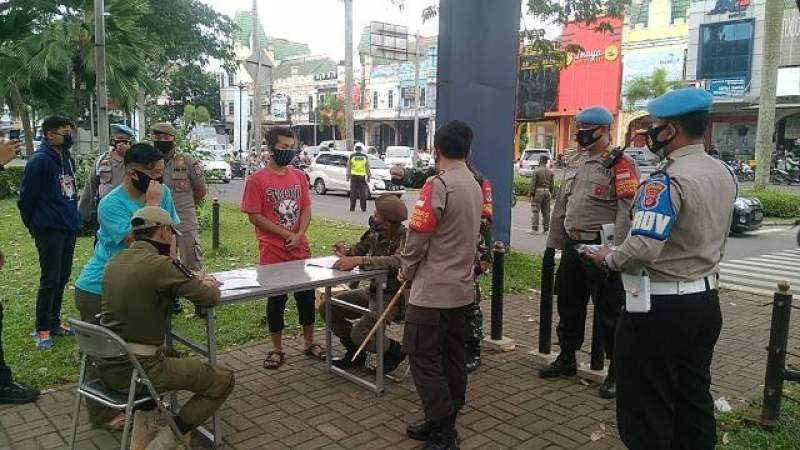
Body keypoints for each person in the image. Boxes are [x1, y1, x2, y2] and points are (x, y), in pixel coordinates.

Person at [585, 88, 736, 450]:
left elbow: (643, 247)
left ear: (671, 131)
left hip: (659, 311)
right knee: (693, 400)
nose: (650, 133)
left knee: (646, 408)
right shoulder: (723, 171)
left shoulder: (665, 180)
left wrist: (608, 257)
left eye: (655, 126)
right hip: (705, 301)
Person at [97, 206, 234, 450]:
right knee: (223, 379)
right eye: (172, 233)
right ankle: (169, 440)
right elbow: (208, 298)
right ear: (162, 231)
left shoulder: (115, 261)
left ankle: (142, 434)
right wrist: (208, 281)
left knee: (173, 356)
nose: (173, 239)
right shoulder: (160, 265)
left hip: (109, 365)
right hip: (140, 369)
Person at [74, 143, 179, 429]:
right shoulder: (112, 204)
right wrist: (153, 207)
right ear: (133, 173)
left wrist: (175, 273)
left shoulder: (164, 193)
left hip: (144, 287)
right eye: (152, 173)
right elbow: (140, 242)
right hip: (101, 288)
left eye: (161, 173)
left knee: (147, 348)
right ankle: (103, 415)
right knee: (100, 354)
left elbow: (170, 236)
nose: (158, 180)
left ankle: (145, 403)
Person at [539, 106, 638, 399]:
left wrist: (616, 250)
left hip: (601, 246)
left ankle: (617, 371)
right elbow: (562, 206)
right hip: (573, 244)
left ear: (603, 131)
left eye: (585, 129)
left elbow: (626, 211)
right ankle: (567, 357)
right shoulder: (577, 161)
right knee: (569, 304)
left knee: (609, 311)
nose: (579, 134)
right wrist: (552, 244)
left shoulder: (620, 164)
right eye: (578, 128)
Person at [400, 120, 483, 450]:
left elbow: (418, 235)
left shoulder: (438, 185)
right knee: (451, 358)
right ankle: (443, 418)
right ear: (468, 150)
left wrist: (405, 269)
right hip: (462, 292)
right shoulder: (475, 184)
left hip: (432, 294)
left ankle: (444, 432)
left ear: (436, 151)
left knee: (423, 359)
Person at [241, 127, 323, 370]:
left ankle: (309, 342)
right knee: (276, 301)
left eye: (291, 147)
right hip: (272, 251)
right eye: (284, 147)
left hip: (300, 250)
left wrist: (299, 235)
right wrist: (286, 234)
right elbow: (254, 216)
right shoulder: (257, 180)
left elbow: (306, 208)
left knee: (306, 298)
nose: (289, 152)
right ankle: (276, 348)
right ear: (271, 149)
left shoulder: (298, 176)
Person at [322, 194, 408, 373]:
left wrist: (359, 260)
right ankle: (355, 352)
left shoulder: (405, 238)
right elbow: (361, 248)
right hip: (373, 291)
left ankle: (394, 350)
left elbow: (398, 260)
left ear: (388, 223)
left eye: (376, 215)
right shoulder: (375, 232)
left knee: (360, 333)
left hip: (393, 297)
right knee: (328, 307)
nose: (373, 217)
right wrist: (346, 252)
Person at [17, 115, 81, 350]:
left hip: (68, 226)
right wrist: (34, 225)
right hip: (48, 228)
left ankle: (54, 322)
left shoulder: (67, 159)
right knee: (50, 278)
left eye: (70, 132)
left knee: (63, 276)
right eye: (64, 133)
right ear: (50, 134)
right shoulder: (40, 161)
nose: (69, 137)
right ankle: (42, 327)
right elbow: (26, 199)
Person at [151, 123, 208, 317]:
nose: (162, 142)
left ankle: (200, 302)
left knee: (191, 257)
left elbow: (201, 190)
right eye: (158, 139)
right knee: (163, 259)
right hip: (159, 219)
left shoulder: (187, 161)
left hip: (184, 217)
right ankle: (171, 301)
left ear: (174, 140)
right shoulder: (150, 162)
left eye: (166, 139)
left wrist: (183, 207)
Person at [78, 123, 136, 228]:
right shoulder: (102, 160)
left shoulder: (134, 161)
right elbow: (91, 186)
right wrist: (83, 213)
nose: (120, 143)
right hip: (104, 208)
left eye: (124, 140)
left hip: (127, 208)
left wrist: (128, 155)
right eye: (117, 139)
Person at [465, 164, 493, 373]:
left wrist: (483, 258)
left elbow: (486, 221)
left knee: (471, 305)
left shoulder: (478, 179)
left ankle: (473, 350)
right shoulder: (441, 175)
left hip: (472, 250)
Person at [528, 155, 554, 235]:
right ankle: (546, 230)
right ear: (546, 162)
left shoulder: (536, 171)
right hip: (547, 192)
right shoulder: (550, 172)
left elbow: (533, 184)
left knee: (535, 211)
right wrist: (551, 193)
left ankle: (534, 229)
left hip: (538, 192)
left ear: (540, 161)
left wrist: (530, 193)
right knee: (546, 212)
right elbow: (552, 185)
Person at [346, 145, 371, 212]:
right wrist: (369, 176)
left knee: (353, 193)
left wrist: (348, 176)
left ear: (355, 150)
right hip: (362, 176)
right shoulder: (365, 157)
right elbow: (367, 167)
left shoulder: (352, 156)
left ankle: (352, 208)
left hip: (354, 176)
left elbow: (348, 166)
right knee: (362, 193)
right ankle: (363, 208)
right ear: (361, 150)